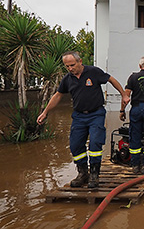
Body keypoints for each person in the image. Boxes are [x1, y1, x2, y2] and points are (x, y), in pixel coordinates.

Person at [37, 51, 124, 189]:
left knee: (95, 143)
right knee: (75, 145)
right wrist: (45, 112)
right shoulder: (67, 79)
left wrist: (123, 94)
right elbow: (58, 96)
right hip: (78, 116)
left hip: (96, 114)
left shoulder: (93, 72)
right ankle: (83, 173)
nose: (70, 68)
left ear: (80, 61)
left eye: (72, 65)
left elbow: (111, 79)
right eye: (67, 66)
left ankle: (94, 175)